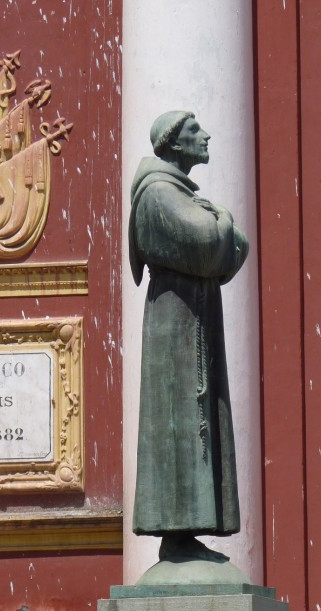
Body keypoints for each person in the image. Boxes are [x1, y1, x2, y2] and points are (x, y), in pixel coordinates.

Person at [129, 111, 249, 563]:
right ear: (174, 143)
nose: (208, 134)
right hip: (175, 333)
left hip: (188, 323)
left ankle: (188, 528)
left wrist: (222, 230)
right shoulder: (159, 194)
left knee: (193, 418)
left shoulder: (175, 193)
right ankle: (174, 528)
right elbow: (209, 247)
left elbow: (229, 251)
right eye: (196, 131)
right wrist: (223, 218)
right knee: (180, 421)